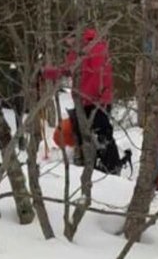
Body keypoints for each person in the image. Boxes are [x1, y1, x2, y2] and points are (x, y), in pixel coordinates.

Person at [42, 26, 119, 171]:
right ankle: (91, 163)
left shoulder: (95, 46)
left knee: (101, 134)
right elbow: (67, 69)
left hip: (97, 100)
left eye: (68, 39)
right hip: (83, 101)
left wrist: (96, 96)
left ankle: (111, 166)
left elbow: (99, 73)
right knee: (84, 134)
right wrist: (48, 73)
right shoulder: (76, 52)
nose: (68, 43)